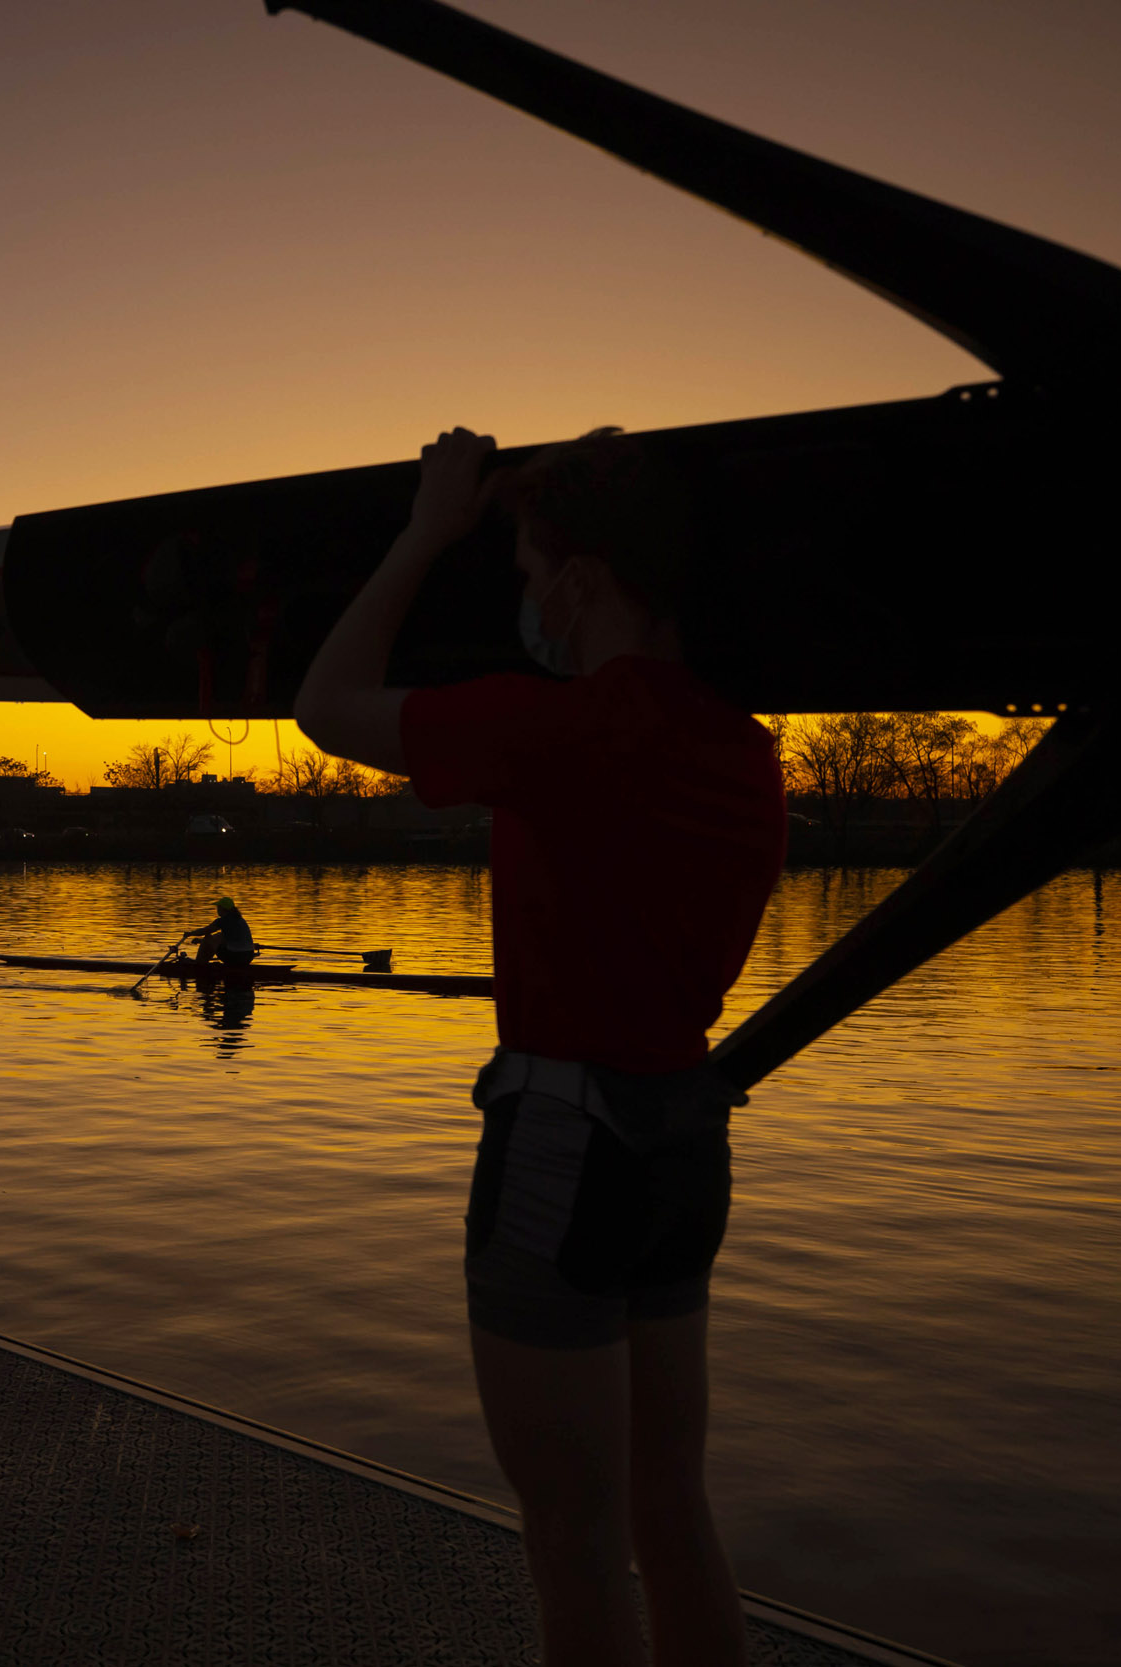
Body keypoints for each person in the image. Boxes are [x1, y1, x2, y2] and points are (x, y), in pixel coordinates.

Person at [293, 425, 786, 1667]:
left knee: (571, 1539)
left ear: (579, 579)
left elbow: (326, 703)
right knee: (671, 1508)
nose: (521, 598)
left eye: (524, 570)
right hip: (684, 1138)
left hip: (565, 1142)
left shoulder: (558, 731)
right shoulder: (746, 748)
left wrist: (425, 530)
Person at [184, 896, 257, 968]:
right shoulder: (240, 920)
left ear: (223, 909)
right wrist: (200, 940)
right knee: (220, 935)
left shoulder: (222, 921)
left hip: (235, 957)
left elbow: (206, 930)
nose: (217, 909)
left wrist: (190, 933)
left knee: (207, 938)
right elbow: (225, 938)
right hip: (248, 957)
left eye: (218, 907)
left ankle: (199, 964)